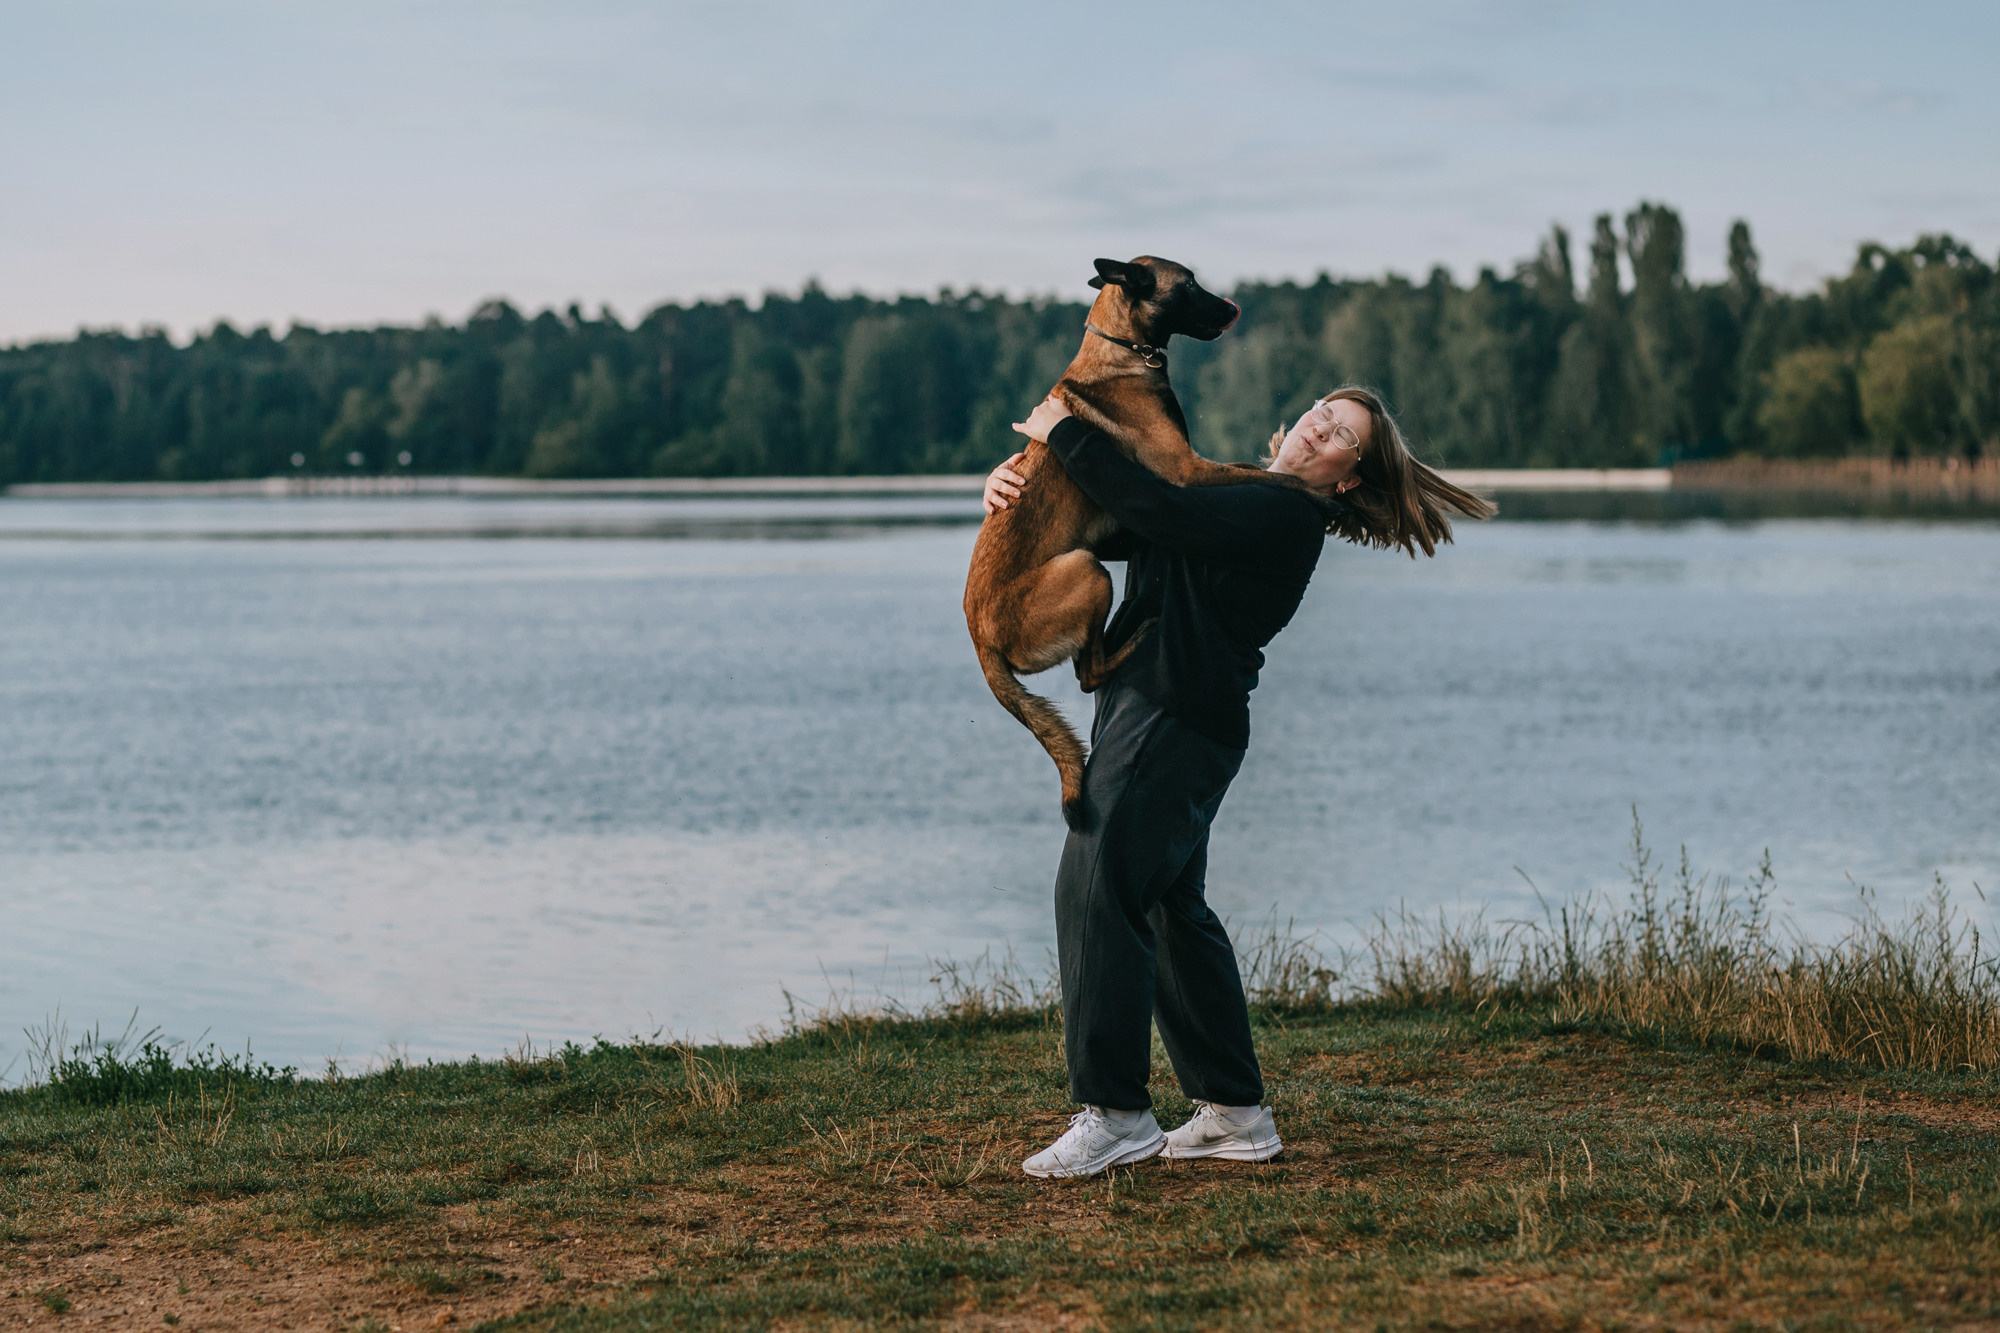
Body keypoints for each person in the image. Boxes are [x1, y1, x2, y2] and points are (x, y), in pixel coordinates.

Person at [986, 386, 1492, 1179]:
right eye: (1324, 413)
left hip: (1172, 721)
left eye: (1343, 437)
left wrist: (1064, 433)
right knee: (1170, 905)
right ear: (1296, 423)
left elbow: (1160, 511)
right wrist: (1012, 493)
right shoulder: (1236, 495)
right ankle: (1235, 1111)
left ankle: (1116, 1114)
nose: (1321, 427)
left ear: (1346, 478)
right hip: (1171, 721)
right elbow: (1122, 520)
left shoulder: (1285, 514)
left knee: (1094, 885)